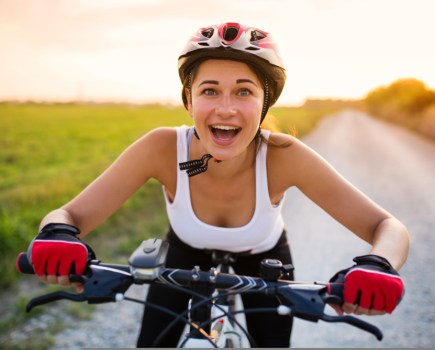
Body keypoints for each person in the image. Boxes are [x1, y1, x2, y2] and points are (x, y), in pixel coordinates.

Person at [27, 22, 410, 347]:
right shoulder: (162, 148)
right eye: (210, 90)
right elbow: (70, 214)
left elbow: (388, 228)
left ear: (264, 105)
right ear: (189, 102)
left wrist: (379, 265)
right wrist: (58, 236)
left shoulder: (284, 155)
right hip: (184, 254)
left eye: (244, 91)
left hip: (265, 262)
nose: (225, 107)